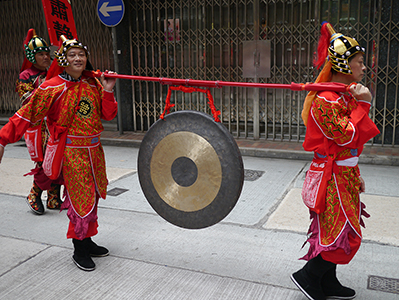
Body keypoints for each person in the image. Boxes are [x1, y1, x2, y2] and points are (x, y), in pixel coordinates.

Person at [0, 35, 118, 272]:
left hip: (95, 152)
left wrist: (107, 91)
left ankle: (88, 240)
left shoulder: (92, 84)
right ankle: (79, 248)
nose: (78, 58)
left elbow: (108, 115)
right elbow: (26, 114)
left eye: (81, 54)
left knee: (92, 198)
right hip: (72, 154)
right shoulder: (51, 87)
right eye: (72, 54)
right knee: (79, 201)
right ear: (63, 59)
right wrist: (3, 138)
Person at [291, 22, 380, 300]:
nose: (364, 68)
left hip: (345, 175)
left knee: (337, 233)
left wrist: (356, 172)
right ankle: (308, 276)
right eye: (359, 62)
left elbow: (351, 147)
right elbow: (345, 136)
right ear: (344, 64)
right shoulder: (325, 100)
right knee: (343, 234)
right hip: (332, 179)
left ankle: (327, 282)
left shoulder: (344, 95)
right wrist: (365, 104)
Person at [16, 28, 63, 214]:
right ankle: (34, 194)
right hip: (38, 128)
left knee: (59, 160)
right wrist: (47, 85)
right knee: (45, 163)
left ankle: (53, 197)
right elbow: (27, 100)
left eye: (47, 54)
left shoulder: (55, 72)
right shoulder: (26, 75)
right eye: (41, 54)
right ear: (32, 56)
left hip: (55, 124)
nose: (45, 57)